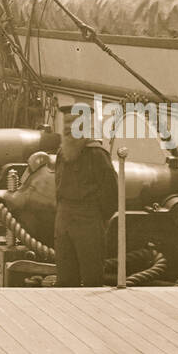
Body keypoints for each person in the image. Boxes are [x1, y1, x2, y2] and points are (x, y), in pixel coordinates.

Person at [54, 102, 118, 287]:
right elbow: (58, 187)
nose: (68, 128)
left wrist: (94, 217)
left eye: (73, 123)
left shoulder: (97, 154)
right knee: (65, 279)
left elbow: (111, 193)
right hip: (63, 219)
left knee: (92, 277)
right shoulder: (61, 153)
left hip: (88, 219)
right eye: (65, 123)